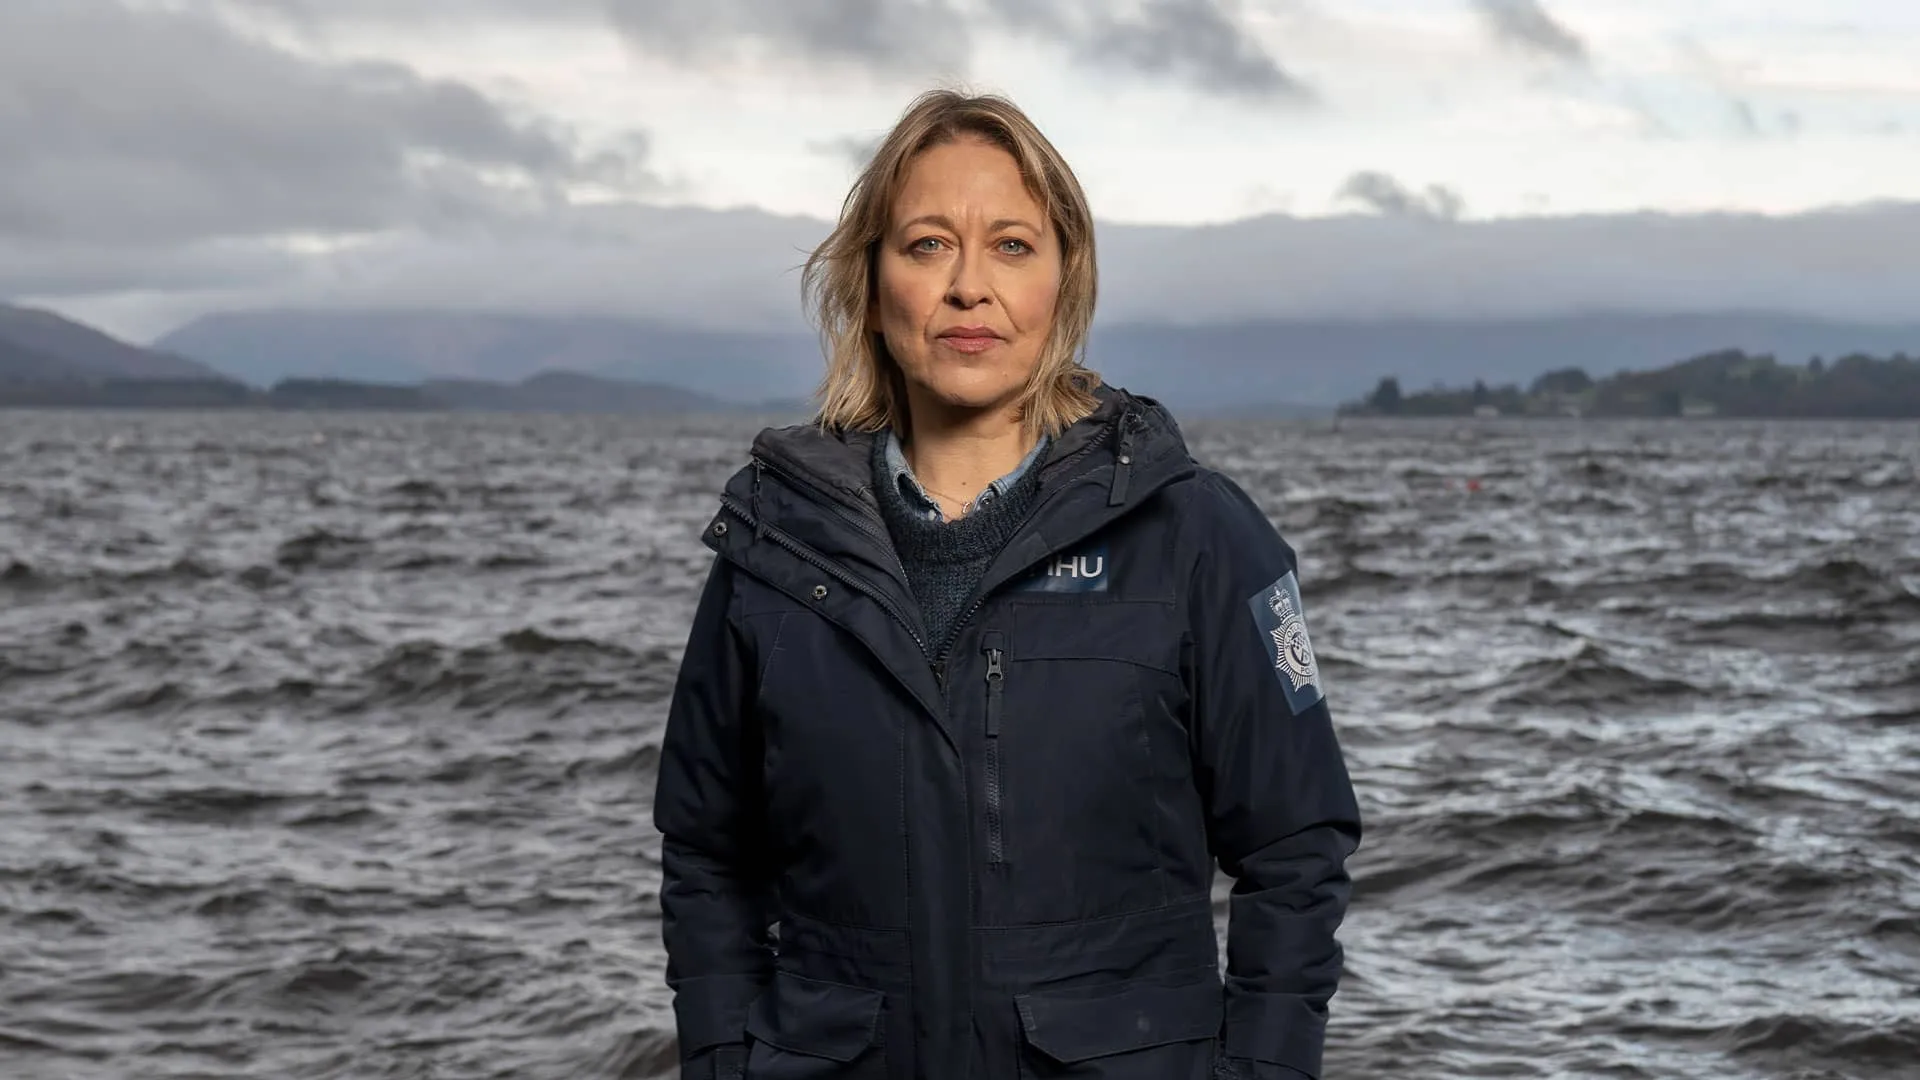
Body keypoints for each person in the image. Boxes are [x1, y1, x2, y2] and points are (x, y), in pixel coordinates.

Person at [653, 88, 1362, 1080]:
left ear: (1065, 281)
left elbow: (1295, 850)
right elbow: (707, 855)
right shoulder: (775, 550)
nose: (969, 288)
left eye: (1013, 247)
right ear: (871, 281)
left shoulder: (1196, 537)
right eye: (928, 245)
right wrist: (726, 1061)